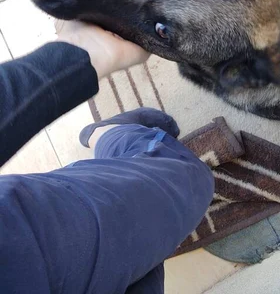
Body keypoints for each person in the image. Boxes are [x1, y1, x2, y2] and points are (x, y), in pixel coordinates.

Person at [0, 20, 214, 294]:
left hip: (31, 255)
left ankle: (107, 134)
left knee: (188, 180)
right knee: (146, 259)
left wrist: (82, 53)